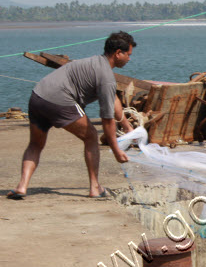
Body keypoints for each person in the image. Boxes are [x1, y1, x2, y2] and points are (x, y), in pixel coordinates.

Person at [7, 31, 136, 200]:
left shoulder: (93, 63)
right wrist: (116, 150)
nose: (129, 59)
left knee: (36, 144)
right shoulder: (107, 77)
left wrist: (127, 127)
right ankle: (95, 187)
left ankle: (22, 186)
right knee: (90, 137)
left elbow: (113, 100)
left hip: (38, 97)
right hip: (59, 100)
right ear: (118, 53)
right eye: (128, 55)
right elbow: (107, 119)